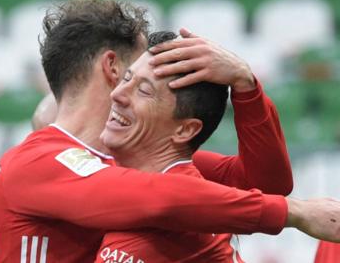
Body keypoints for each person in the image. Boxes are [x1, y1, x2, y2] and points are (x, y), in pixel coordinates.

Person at [0, 0, 340, 263]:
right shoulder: (35, 162)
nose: (126, 90)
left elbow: (266, 183)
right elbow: (158, 199)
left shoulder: (136, 161)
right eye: (131, 74)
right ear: (111, 68)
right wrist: (293, 212)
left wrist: (245, 85)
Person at [95, 30, 251, 263]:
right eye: (126, 79)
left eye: (144, 91)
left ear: (185, 130)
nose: (117, 94)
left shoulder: (179, 215)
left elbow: (272, 182)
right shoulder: (144, 185)